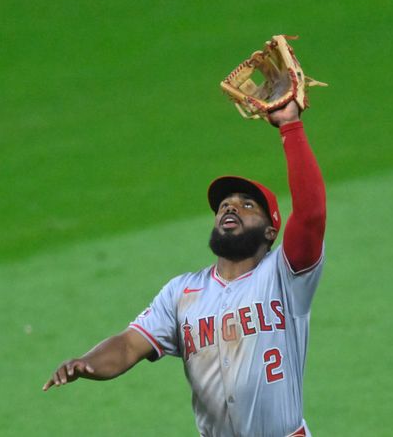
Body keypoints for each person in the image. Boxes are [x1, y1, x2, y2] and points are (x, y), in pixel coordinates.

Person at [43, 101, 326, 437]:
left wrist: (290, 126)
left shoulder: (285, 275)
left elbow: (310, 215)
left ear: (270, 231)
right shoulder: (182, 293)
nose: (230, 208)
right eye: (224, 205)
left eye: (247, 205)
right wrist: (86, 364)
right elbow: (129, 345)